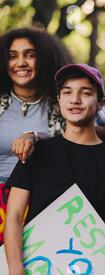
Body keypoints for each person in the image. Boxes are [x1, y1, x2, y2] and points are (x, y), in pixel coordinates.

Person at [3, 64, 105, 275]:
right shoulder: (36, 152)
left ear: (100, 104)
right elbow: (14, 216)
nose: (75, 99)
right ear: (59, 100)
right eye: (68, 92)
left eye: (86, 92)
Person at [0, 28, 72, 244]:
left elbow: (80, 142)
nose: (21, 62)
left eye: (30, 55)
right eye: (13, 56)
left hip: (44, 207)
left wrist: (36, 136)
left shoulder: (63, 106)